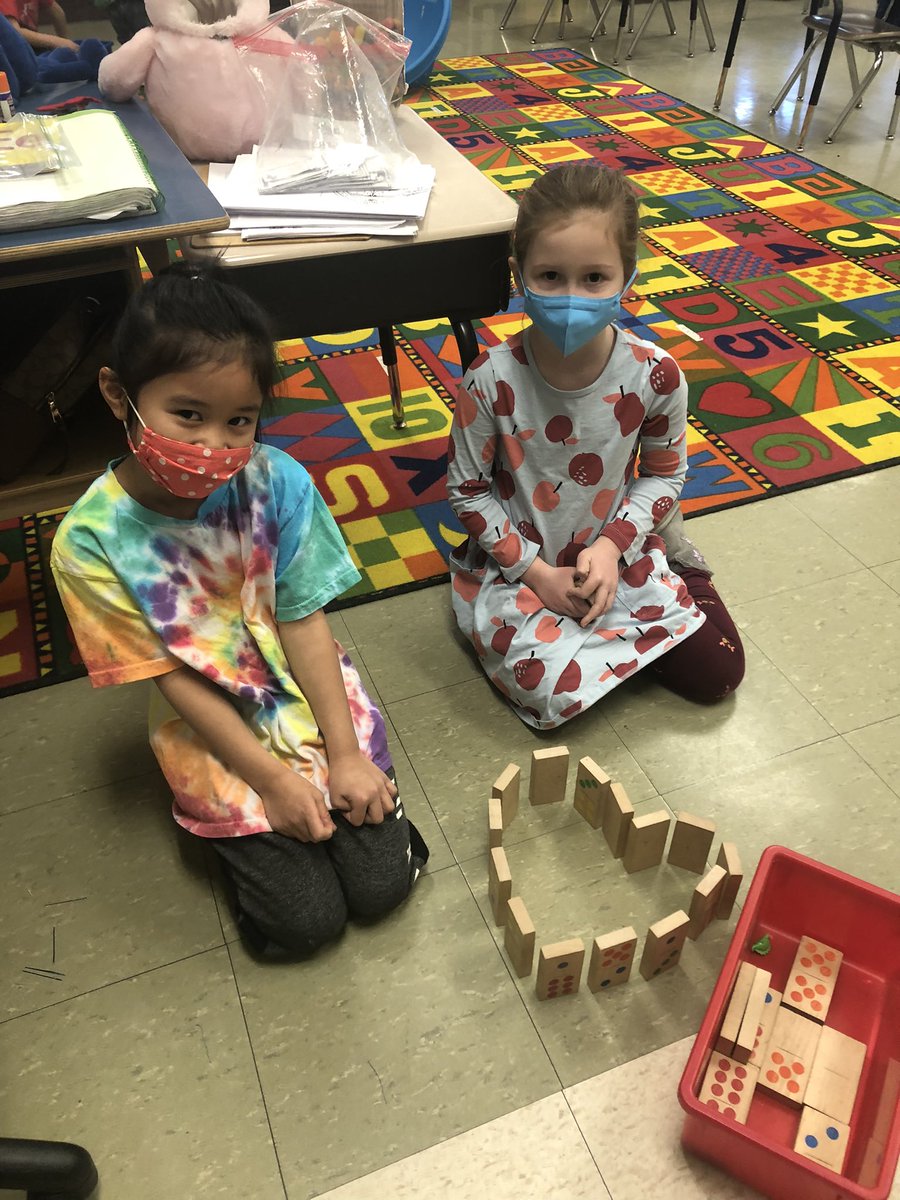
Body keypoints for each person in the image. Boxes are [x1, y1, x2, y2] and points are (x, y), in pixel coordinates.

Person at [50, 262, 427, 957]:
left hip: (304, 698)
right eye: (187, 415)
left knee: (382, 890)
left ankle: (363, 802)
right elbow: (172, 676)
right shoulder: (89, 543)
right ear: (117, 394)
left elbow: (304, 618)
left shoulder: (276, 479)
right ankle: (244, 846)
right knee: (304, 924)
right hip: (210, 729)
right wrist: (274, 783)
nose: (213, 446)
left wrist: (343, 755)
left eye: (240, 421)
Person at [446, 163, 745, 730]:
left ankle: (683, 570)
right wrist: (536, 573)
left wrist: (611, 549)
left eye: (595, 278)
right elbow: (466, 493)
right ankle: (614, 641)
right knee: (548, 697)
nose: (571, 297)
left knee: (719, 674)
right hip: (524, 563)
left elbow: (663, 476)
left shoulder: (656, 374)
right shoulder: (488, 380)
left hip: (617, 547)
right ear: (519, 274)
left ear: (626, 277)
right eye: (550, 276)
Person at [0, 0, 77, 52]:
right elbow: (14, 31)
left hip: (32, 48)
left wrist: (65, 41)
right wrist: (59, 42)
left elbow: (57, 13)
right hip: (13, 52)